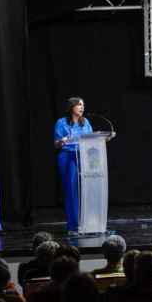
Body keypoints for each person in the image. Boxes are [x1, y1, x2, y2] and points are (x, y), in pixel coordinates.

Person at [54, 97, 94, 232]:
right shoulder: (62, 122)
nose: (82, 107)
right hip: (68, 156)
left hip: (83, 156)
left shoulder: (85, 122)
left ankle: (87, 222)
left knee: (85, 189)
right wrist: (62, 141)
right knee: (71, 191)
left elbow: (91, 138)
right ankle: (74, 225)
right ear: (72, 107)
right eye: (79, 105)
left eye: (83, 105)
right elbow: (56, 143)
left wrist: (105, 138)